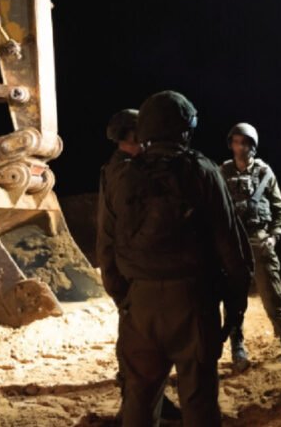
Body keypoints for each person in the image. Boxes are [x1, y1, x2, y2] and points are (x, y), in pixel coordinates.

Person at [97, 91, 253, 427]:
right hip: (193, 302)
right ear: (186, 128)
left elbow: (106, 251)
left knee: (139, 400)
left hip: (140, 304)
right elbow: (232, 249)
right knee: (198, 402)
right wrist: (234, 305)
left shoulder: (120, 175)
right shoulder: (203, 171)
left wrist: (126, 299)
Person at [97, 108, 181, 423]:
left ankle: (148, 404)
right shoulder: (121, 172)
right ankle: (133, 409)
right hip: (131, 277)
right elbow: (108, 234)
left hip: (133, 275)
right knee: (135, 351)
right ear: (132, 135)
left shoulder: (125, 168)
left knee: (143, 349)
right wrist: (117, 287)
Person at [219, 122, 281, 371]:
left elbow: (280, 210)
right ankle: (237, 346)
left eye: (245, 142)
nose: (241, 147)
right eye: (237, 142)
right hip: (233, 242)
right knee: (234, 297)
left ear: (253, 146)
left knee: (272, 293)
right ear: (231, 144)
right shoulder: (222, 172)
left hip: (259, 238)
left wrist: (274, 237)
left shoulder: (265, 173)